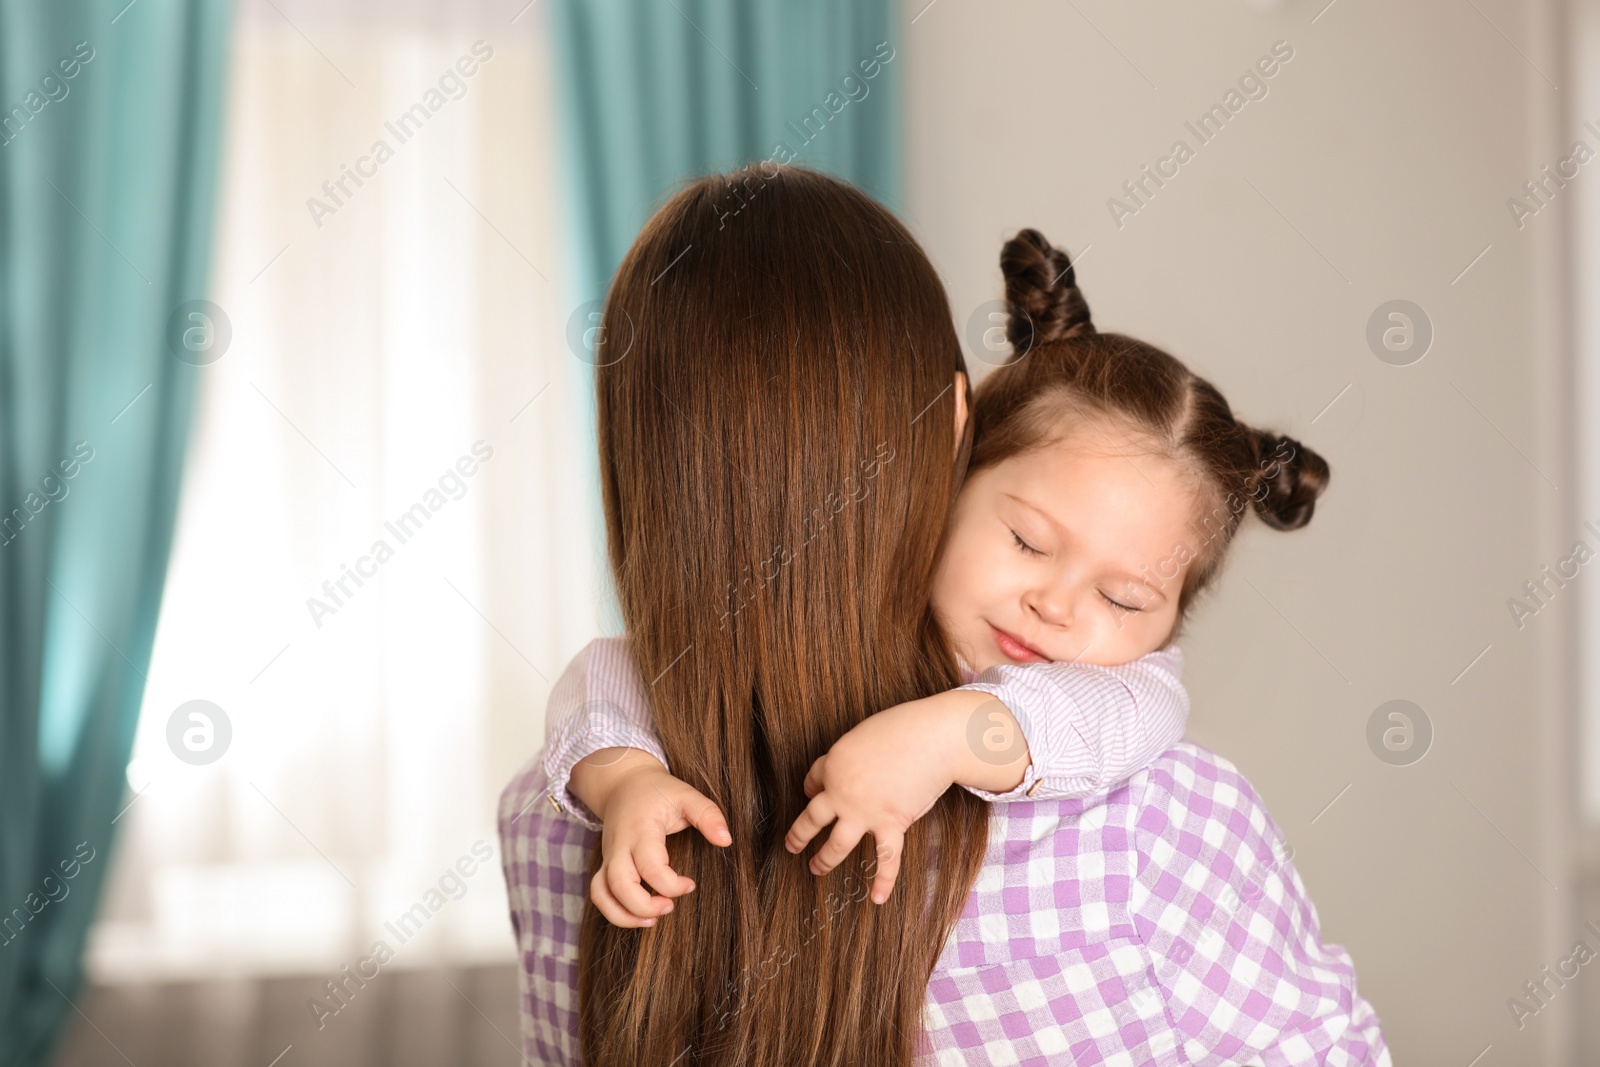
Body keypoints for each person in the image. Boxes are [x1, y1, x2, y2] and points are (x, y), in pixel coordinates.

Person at [499, 164, 1389, 1065]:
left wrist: (950, 736)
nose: (1054, 605)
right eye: (1030, 544)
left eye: (1124, 599)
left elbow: (1140, 705)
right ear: (957, 446)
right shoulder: (1159, 832)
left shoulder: (545, 821)